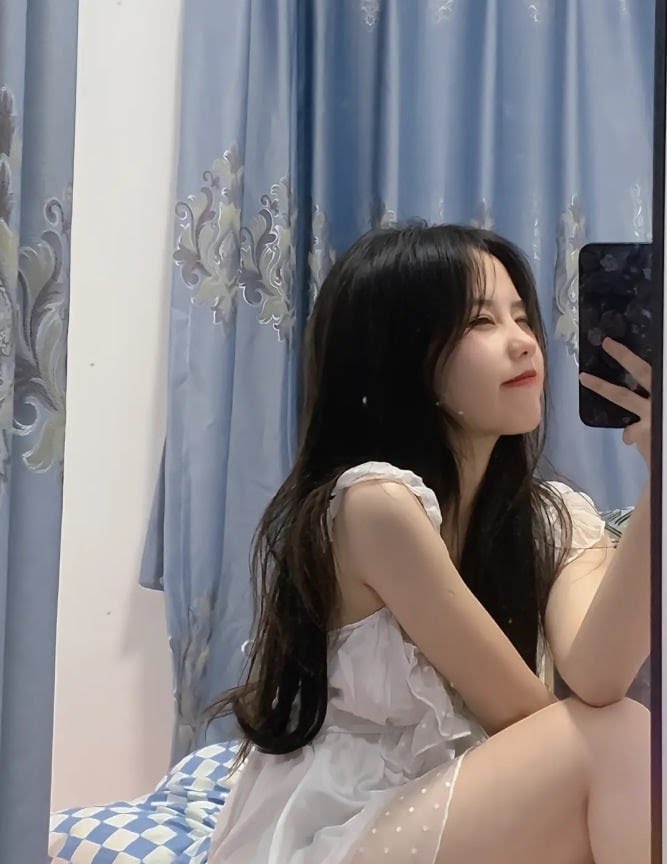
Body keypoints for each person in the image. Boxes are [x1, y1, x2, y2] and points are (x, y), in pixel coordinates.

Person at [207, 224, 651, 864]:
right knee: (622, 740)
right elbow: (525, 717)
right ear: (399, 352)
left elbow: (599, 677)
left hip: (456, 817)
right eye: (481, 321)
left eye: (522, 316)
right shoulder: (375, 507)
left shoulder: (553, 518)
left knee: (622, 737)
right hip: (339, 828)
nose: (524, 341)